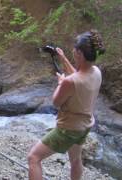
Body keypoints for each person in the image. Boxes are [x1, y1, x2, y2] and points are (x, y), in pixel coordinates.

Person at [27, 30, 105, 180]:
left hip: (68, 129)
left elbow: (56, 102)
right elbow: (78, 75)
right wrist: (62, 58)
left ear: (80, 54)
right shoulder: (96, 72)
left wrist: (60, 83)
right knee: (75, 160)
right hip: (85, 126)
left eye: (75, 50)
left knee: (33, 158)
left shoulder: (70, 82)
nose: (73, 51)